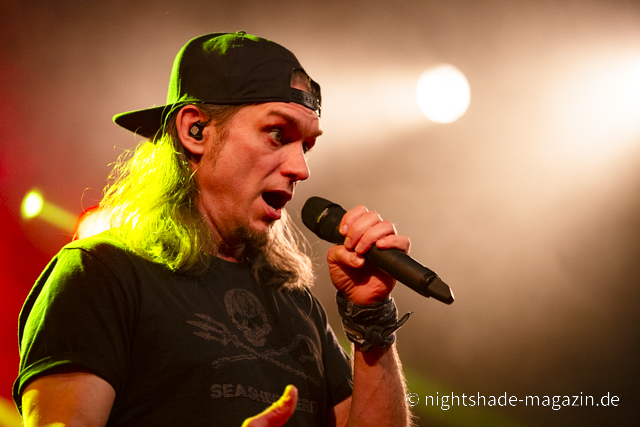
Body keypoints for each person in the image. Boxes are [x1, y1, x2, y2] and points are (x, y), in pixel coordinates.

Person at [13, 31, 413, 426]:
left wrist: (371, 319)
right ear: (196, 130)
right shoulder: (99, 274)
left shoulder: (297, 304)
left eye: (306, 146)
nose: (301, 169)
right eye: (278, 134)